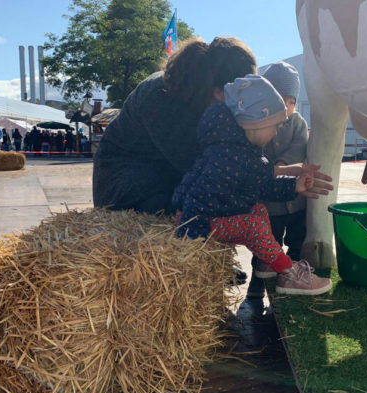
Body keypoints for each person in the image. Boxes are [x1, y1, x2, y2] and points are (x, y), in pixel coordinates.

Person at [173, 75, 333, 296]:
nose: (276, 132)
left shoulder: (236, 149)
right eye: (274, 126)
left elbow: (258, 185)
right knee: (251, 225)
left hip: (202, 215)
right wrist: (189, 233)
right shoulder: (233, 157)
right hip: (198, 222)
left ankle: (268, 260)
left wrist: (293, 185)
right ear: (254, 123)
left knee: (258, 210)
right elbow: (256, 186)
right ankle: (288, 273)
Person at [93, 37, 259, 213]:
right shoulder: (161, 99)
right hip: (124, 186)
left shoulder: (197, 92)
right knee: (197, 210)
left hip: (161, 174)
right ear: (219, 91)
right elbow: (205, 167)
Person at [246, 61, 310, 298]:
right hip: (268, 203)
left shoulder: (298, 123)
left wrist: (283, 164)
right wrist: (272, 169)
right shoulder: (256, 122)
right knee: (265, 244)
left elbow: (300, 145)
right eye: (282, 99)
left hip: (295, 199)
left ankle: (292, 275)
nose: (288, 106)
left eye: (292, 101)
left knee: (297, 239)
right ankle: (257, 284)